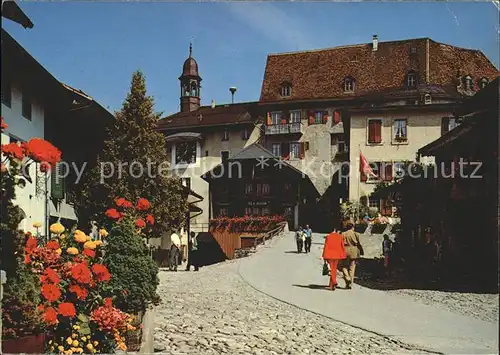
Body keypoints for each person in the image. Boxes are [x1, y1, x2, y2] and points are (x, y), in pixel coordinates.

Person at [341, 221, 364, 289]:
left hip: (345, 250)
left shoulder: (343, 234)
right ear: (352, 227)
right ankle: (350, 283)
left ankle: (347, 278)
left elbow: (341, 243)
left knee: (344, 266)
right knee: (352, 267)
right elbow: (359, 244)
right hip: (354, 250)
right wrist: (361, 251)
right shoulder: (356, 234)